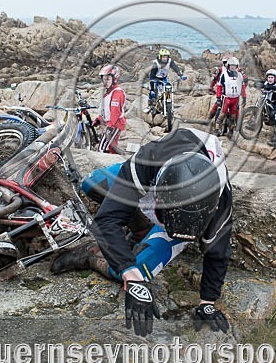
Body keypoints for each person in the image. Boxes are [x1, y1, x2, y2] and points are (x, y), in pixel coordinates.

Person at [51, 128, 233, 337]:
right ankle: (139, 231)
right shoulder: (145, 163)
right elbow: (106, 220)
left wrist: (207, 302)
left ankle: (92, 257)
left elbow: (218, 252)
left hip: (180, 210)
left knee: (141, 269)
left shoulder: (221, 202)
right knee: (92, 184)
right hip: (158, 173)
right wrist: (129, 272)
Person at [94, 65, 126, 154]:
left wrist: (110, 127)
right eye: (104, 79)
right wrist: (99, 120)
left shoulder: (117, 93)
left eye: (108, 79)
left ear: (114, 79)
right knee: (112, 147)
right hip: (111, 123)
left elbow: (115, 112)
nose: (105, 82)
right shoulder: (109, 92)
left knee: (101, 148)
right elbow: (105, 109)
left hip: (115, 123)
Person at [214, 56, 246, 139]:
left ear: (237, 66)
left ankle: (230, 131)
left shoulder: (239, 75)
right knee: (222, 115)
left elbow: (242, 87)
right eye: (231, 65)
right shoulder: (224, 75)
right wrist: (218, 98)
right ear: (228, 66)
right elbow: (219, 86)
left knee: (233, 116)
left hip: (236, 99)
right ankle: (217, 130)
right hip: (226, 98)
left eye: (234, 66)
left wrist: (244, 97)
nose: (232, 67)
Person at [147, 48, 186, 114]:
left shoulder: (170, 61)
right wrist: (152, 87)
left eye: (166, 57)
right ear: (160, 56)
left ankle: (167, 104)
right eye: (163, 57)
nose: (165, 58)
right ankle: (151, 105)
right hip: (155, 78)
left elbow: (176, 68)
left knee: (168, 89)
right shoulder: (156, 63)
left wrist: (181, 75)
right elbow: (152, 76)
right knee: (153, 92)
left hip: (164, 78)